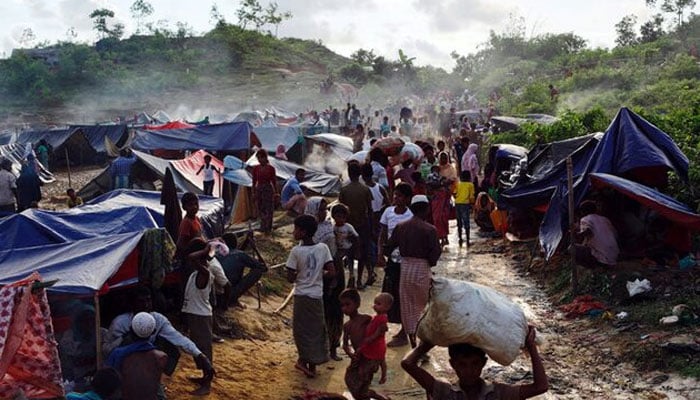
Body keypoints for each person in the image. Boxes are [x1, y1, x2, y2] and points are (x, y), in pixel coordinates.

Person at [105, 287, 215, 395]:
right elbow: (106, 349)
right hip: (123, 367)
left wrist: (200, 355)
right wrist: (122, 340)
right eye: (141, 301)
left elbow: (178, 338)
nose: (146, 305)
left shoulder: (158, 319)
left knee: (171, 349)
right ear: (132, 304)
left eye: (148, 300)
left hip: (146, 365)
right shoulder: (120, 323)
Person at [401, 326, 548, 400]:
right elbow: (407, 364)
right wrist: (428, 342)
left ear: (483, 363)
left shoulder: (497, 393)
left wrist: (531, 347)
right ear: (453, 365)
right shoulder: (446, 392)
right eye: (462, 365)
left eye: (475, 364)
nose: (469, 371)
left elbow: (540, 387)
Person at [385, 194, 441, 348]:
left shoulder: (401, 227)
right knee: (423, 308)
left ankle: (413, 344)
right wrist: (429, 262)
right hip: (422, 269)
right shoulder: (430, 229)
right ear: (426, 209)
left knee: (407, 307)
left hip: (406, 268)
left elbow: (388, 247)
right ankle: (424, 346)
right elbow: (435, 253)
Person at [286, 214, 336, 378]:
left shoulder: (296, 251)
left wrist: (301, 273)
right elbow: (332, 272)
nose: (294, 232)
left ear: (303, 232)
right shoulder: (323, 248)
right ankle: (313, 363)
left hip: (301, 295)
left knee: (301, 329)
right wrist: (318, 274)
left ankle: (302, 360)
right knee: (316, 329)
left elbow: (290, 277)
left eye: (296, 229)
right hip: (316, 295)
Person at [181, 238, 223, 395]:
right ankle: (204, 376)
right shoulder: (199, 272)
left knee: (204, 349)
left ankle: (207, 384)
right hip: (195, 315)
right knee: (198, 348)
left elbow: (191, 257)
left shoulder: (205, 272)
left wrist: (206, 250)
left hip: (201, 317)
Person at [305, 197, 344, 361]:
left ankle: (334, 346)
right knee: (317, 312)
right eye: (320, 210)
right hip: (316, 275)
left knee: (334, 309)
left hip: (333, 270)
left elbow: (336, 250)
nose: (323, 213)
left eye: (324, 209)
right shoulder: (306, 231)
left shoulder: (329, 227)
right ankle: (317, 348)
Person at [376, 183, 414, 347]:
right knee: (388, 294)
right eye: (395, 195)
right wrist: (379, 254)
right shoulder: (388, 212)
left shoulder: (410, 216)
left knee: (403, 296)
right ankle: (382, 328)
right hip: (392, 260)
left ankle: (404, 332)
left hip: (405, 261)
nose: (396, 198)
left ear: (407, 199)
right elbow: (382, 235)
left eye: (399, 196)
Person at [343, 291, 392, 400]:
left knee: (363, 383)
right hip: (359, 356)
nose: (344, 309)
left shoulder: (366, 319)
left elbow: (380, 331)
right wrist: (351, 354)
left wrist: (372, 338)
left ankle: (376, 396)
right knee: (350, 379)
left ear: (357, 304)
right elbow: (345, 345)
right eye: (342, 306)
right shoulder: (347, 326)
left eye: (347, 304)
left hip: (369, 356)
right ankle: (375, 396)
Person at [106, 312, 166, 400]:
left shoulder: (117, 354)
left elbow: (108, 382)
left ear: (130, 330)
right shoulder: (161, 357)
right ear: (153, 332)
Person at [338, 162, 372, 289]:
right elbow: (370, 209)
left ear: (349, 173)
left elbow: (340, 209)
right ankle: (358, 280)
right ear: (360, 174)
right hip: (363, 225)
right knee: (362, 253)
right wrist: (372, 227)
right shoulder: (365, 189)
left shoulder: (344, 190)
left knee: (350, 252)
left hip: (348, 225)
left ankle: (351, 274)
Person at [218, 233, 267, 308]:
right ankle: (233, 299)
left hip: (213, 295)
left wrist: (247, 241)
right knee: (258, 270)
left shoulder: (216, 253)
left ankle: (234, 298)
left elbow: (237, 255)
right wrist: (255, 248)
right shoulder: (239, 255)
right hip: (227, 295)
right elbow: (264, 267)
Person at [362, 163, 389, 287]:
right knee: (379, 245)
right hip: (378, 220)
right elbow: (388, 204)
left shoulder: (363, 189)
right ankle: (378, 270)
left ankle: (371, 271)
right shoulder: (380, 188)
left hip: (368, 221)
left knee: (368, 247)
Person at [573, 200, 620, 268]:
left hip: (603, 258)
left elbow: (588, 230)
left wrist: (575, 234)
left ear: (582, 211)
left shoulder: (585, 219)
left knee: (572, 248)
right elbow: (615, 234)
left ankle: (592, 267)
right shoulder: (605, 219)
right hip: (614, 256)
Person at [332, 203, 360, 288]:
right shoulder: (333, 227)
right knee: (339, 265)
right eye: (338, 217)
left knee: (350, 266)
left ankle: (351, 280)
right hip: (338, 249)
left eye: (343, 217)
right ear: (334, 216)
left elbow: (356, 237)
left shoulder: (348, 227)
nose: (340, 219)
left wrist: (357, 250)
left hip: (348, 249)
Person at [251, 151, 277, 234]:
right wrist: (254, 193)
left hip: (268, 189)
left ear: (265, 158)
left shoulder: (271, 168)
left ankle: (268, 227)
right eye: (258, 158)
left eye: (261, 157)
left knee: (269, 209)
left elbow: (274, 181)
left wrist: (276, 192)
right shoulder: (256, 168)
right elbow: (254, 181)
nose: (259, 160)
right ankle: (263, 226)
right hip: (259, 189)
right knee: (261, 208)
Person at [175, 192, 203, 259]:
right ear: (184, 207)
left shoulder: (197, 219)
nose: (194, 207)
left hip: (199, 252)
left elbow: (201, 236)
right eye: (190, 205)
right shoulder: (186, 223)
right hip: (191, 256)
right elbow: (180, 244)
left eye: (196, 204)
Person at [454, 170, 475, 246]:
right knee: (466, 221)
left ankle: (460, 238)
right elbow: (472, 197)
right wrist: (473, 206)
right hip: (465, 204)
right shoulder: (470, 185)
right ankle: (468, 239)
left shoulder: (458, 184)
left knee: (459, 221)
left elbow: (455, 193)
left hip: (457, 203)